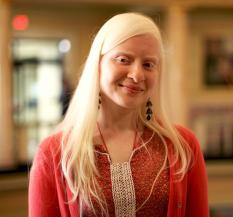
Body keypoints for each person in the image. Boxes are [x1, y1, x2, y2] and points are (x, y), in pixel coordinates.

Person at [28, 12, 209, 217]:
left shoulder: (183, 147)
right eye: (123, 60)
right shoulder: (53, 154)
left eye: (148, 64)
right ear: (98, 64)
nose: (137, 74)